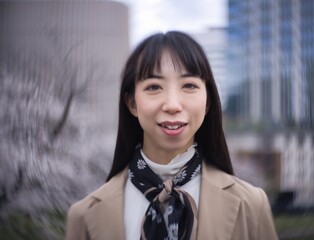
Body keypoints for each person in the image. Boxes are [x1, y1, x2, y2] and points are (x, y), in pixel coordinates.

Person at [66, 31, 278, 240]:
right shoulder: (85, 216)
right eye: (154, 87)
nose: (173, 105)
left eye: (189, 85)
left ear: (208, 102)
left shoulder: (251, 205)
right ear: (132, 103)